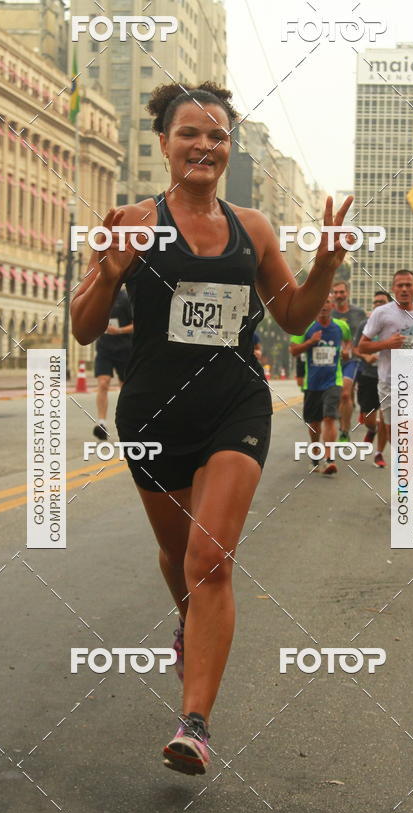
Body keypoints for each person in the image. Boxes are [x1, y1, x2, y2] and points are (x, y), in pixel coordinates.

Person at [70, 81, 353, 776]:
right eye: (189, 133)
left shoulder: (252, 228)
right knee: (178, 560)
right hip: (154, 413)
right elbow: (81, 328)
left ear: (229, 147)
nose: (204, 145)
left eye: (217, 135)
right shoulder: (131, 221)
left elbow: (291, 316)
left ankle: (194, 723)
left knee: (211, 561)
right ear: (163, 143)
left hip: (235, 403)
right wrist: (109, 275)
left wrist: (324, 265)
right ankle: (189, 626)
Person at [357, 269, 413, 467]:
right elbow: (362, 345)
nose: (404, 289)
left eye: (408, 285)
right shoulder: (381, 313)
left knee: (412, 429)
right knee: (395, 432)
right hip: (389, 381)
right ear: (393, 289)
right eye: (400, 285)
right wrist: (387, 344)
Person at [290, 297, 351, 475]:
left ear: (332, 306)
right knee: (314, 423)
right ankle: (316, 456)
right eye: (320, 302)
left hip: (333, 380)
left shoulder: (341, 326)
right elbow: (293, 350)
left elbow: (348, 341)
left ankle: (330, 460)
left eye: (327, 302)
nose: (324, 306)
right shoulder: (306, 327)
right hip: (312, 383)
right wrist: (310, 342)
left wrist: (346, 351)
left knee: (330, 418)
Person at [92, 286, 134, 440]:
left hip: (125, 349)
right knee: (103, 383)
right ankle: (101, 423)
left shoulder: (126, 298)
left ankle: (126, 422)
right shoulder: (99, 297)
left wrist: (120, 331)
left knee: (125, 388)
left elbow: (137, 324)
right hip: (104, 348)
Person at [353, 291, 389, 458]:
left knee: (384, 417)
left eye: (382, 302)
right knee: (369, 418)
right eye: (375, 302)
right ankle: (371, 430)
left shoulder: (396, 326)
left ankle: (379, 453)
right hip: (368, 375)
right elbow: (355, 349)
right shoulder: (365, 325)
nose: (378, 305)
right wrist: (366, 356)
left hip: (389, 378)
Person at [332, 281, 366, 442]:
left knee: (346, 394)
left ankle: (345, 431)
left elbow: (366, 334)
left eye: (341, 292)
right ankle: (342, 420)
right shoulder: (328, 312)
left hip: (352, 360)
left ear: (348, 293)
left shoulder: (359, 313)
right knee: (341, 396)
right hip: (332, 362)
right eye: (336, 293)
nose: (339, 296)